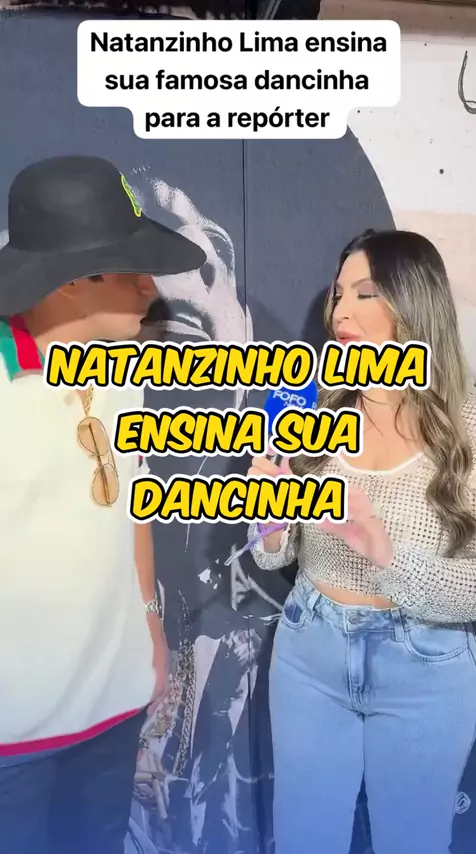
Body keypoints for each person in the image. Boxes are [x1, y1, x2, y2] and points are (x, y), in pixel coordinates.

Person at [248, 229, 476, 854]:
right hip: (310, 655)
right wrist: (268, 510)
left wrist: (386, 554)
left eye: (365, 293)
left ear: (414, 303)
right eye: (337, 293)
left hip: (426, 667)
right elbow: (274, 554)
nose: (340, 312)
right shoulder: (312, 408)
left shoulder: (471, 425)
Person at [0, 154, 206, 854]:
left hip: (113, 712)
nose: (151, 287)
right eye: (129, 269)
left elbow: (129, 507)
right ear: (70, 281)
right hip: (14, 738)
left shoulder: (119, 369)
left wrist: (149, 627)